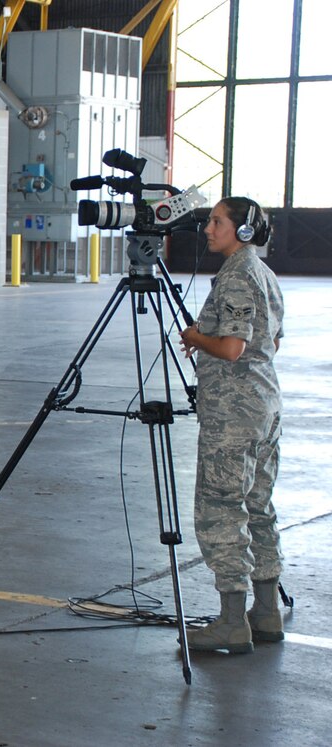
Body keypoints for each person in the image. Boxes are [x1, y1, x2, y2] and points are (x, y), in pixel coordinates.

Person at [179, 196, 285, 654]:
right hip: (263, 407)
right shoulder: (264, 273)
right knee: (259, 507)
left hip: (232, 417)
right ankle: (265, 613)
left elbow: (232, 349)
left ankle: (230, 623)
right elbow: (273, 340)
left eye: (217, 222)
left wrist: (196, 337)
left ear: (242, 231)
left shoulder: (238, 275)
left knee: (222, 508)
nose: (208, 229)